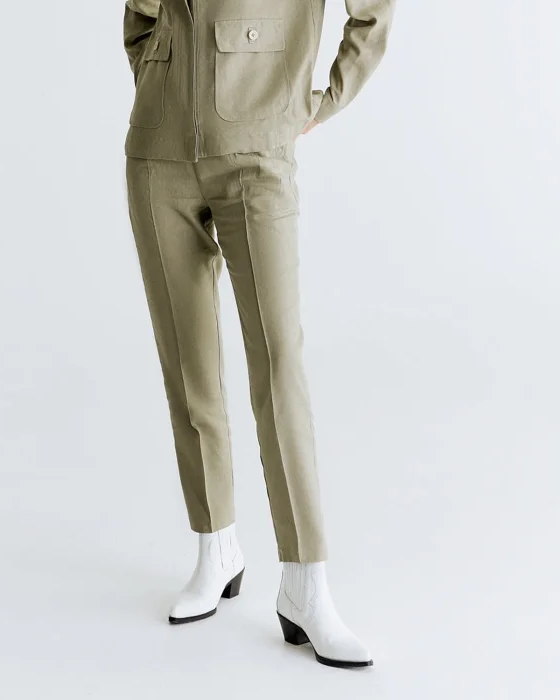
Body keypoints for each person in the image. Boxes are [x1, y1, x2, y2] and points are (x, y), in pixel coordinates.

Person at [122, 0, 395, 668]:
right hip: (157, 152)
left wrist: (323, 100)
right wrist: (160, 76)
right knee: (187, 365)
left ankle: (306, 580)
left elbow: (373, 12)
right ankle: (215, 545)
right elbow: (139, 14)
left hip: (257, 149)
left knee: (278, 364)